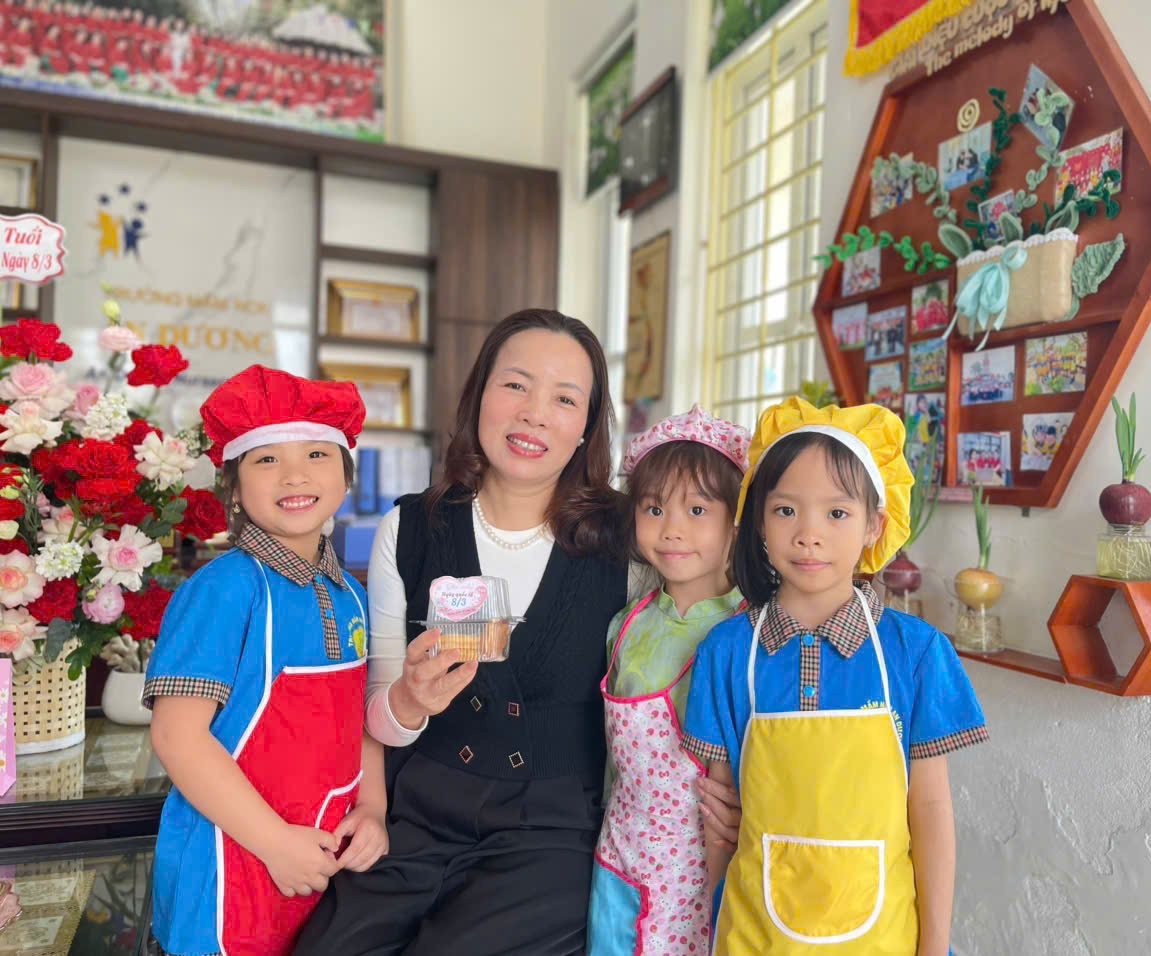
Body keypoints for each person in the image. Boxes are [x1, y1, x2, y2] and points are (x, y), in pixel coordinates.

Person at [294, 309, 630, 955]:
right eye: (516, 385)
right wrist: (408, 701)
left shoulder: (628, 539)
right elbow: (377, 712)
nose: (534, 414)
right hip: (418, 815)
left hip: (553, 833)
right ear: (479, 395)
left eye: (564, 399)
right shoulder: (410, 529)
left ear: (586, 427)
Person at [681, 396, 988, 955]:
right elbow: (719, 820)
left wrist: (936, 945)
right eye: (785, 510)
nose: (809, 534)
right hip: (754, 937)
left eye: (837, 513)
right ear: (758, 521)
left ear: (876, 525)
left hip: (884, 939)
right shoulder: (726, 652)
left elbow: (930, 810)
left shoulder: (917, 652)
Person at [144, 365, 388, 956]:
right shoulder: (224, 588)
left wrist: (374, 809)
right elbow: (177, 737)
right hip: (230, 866)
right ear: (233, 488)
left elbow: (358, 719)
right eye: (267, 459)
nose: (295, 474)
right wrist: (275, 842)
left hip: (317, 864)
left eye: (316, 454)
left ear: (346, 476)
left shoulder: (350, 594)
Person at [587, 405, 751, 955]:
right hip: (619, 854)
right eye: (654, 508)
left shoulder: (746, 633)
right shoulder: (626, 624)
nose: (672, 529)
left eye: (697, 509)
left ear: (736, 522)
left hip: (701, 863)